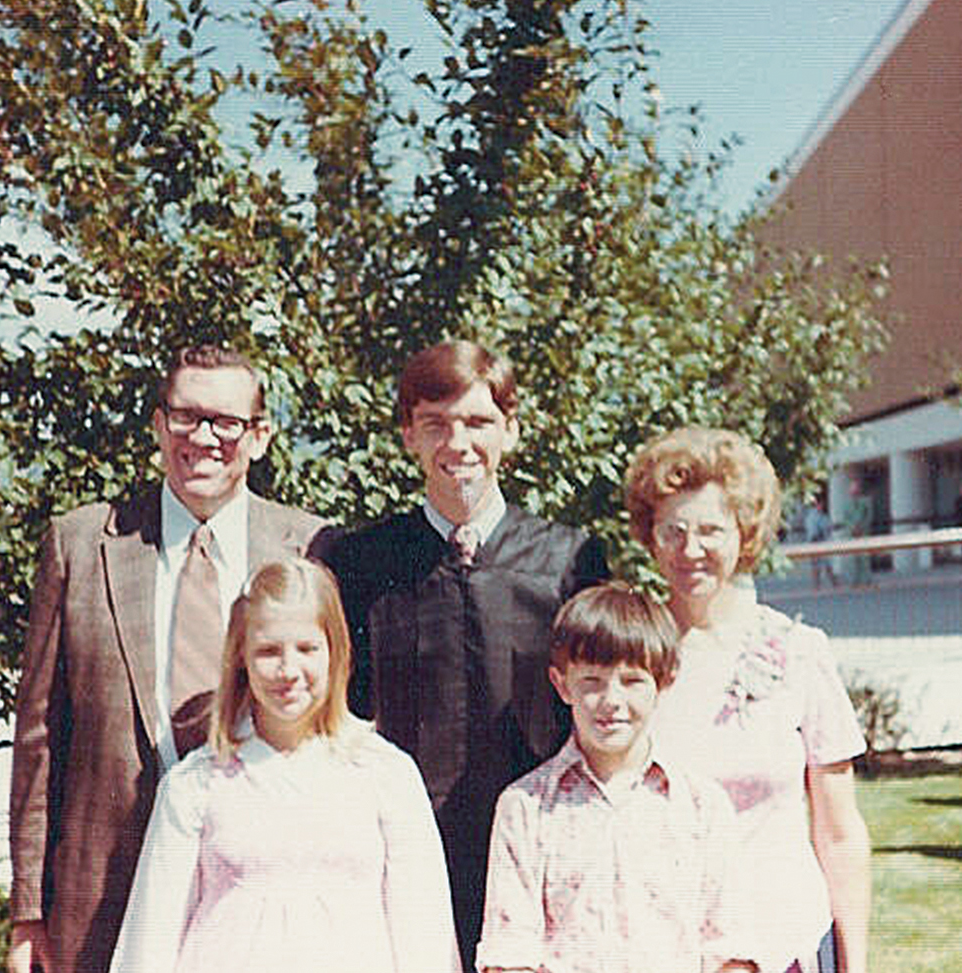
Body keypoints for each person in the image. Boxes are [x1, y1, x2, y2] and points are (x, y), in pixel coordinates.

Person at [7, 346, 328, 973]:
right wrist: (27, 911)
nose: (203, 438)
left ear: (258, 437)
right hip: (103, 891)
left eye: (226, 422)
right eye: (185, 416)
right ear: (158, 426)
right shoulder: (81, 544)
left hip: (259, 887)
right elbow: (39, 737)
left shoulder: (313, 547)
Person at [323, 341, 610, 968]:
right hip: (399, 850)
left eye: (479, 422)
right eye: (436, 424)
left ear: (511, 429)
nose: (458, 443)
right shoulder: (361, 563)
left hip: (538, 848)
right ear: (408, 435)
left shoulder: (570, 561)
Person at [109, 559, 459, 973]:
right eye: (268, 651)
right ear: (240, 656)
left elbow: (425, 938)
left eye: (307, 649)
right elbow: (150, 941)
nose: (289, 671)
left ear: (335, 650)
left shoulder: (386, 776)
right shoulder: (196, 783)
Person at [624, 427, 870, 973]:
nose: (691, 550)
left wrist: (855, 963)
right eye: (674, 531)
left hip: (785, 941)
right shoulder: (629, 661)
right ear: (651, 536)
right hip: (664, 945)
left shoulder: (799, 654)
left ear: (744, 533)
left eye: (711, 530)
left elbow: (839, 831)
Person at [476, 582, 757, 973]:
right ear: (562, 684)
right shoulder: (525, 808)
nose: (611, 701)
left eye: (632, 681)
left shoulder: (701, 806)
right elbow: (510, 953)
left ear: (665, 681)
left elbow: (731, 948)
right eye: (592, 681)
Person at [802, 495, 841, 589]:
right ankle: (817, 586)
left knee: (827, 564)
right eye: (821, 504)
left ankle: (834, 584)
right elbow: (813, 532)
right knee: (816, 566)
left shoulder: (823, 516)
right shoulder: (812, 516)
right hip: (815, 543)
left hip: (823, 543)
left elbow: (829, 526)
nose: (822, 506)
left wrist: (838, 526)